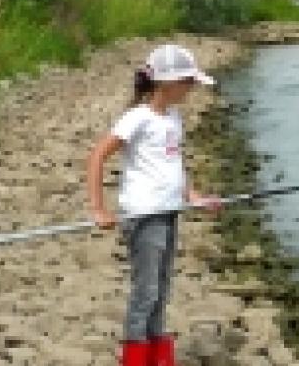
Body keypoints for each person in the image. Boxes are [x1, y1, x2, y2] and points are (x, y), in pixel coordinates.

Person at [86, 44, 222, 366]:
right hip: (144, 217)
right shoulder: (138, 118)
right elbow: (97, 156)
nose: (191, 88)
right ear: (167, 83)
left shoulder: (173, 117)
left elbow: (173, 164)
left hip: (169, 213)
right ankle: (135, 353)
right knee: (145, 290)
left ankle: (157, 354)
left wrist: (193, 196)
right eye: (188, 82)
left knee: (161, 289)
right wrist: (99, 209)